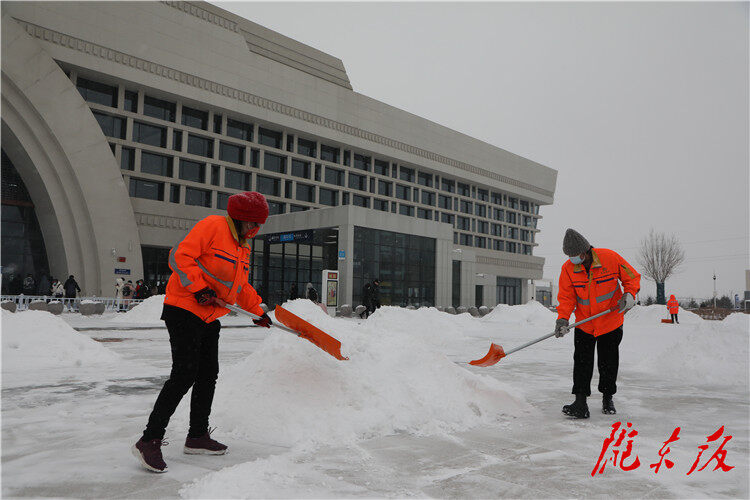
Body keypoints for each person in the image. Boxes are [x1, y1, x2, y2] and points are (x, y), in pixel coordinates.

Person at [133, 191, 271, 473]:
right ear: (244, 219)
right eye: (255, 224)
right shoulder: (213, 226)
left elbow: (239, 287)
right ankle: (149, 439)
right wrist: (199, 288)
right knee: (184, 374)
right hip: (184, 308)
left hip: (209, 315)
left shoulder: (242, 246)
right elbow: (179, 257)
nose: (257, 230)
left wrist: (258, 311)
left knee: (208, 374)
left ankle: (197, 436)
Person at [554, 228, 640, 418]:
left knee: (608, 362)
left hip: (610, 321)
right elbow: (566, 297)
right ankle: (580, 402)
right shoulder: (568, 268)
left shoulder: (610, 258)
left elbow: (631, 277)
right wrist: (563, 318)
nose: (572, 259)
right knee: (581, 362)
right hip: (585, 323)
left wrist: (629, 294)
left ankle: (608, 397)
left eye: (575, 255)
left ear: (585, 252)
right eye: (569, 256)